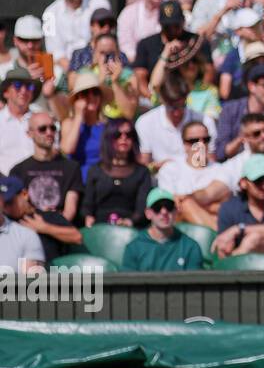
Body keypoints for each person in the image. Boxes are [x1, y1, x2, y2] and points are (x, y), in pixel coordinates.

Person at [10, 110, 83, 260]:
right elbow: (15, 210)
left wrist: (45, 226)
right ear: (29, 133)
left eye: (53, 128)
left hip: (59, 234)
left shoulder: (71, 167)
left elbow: (70, 212)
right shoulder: (18, 170)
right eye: (43, 129)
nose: (49, 132)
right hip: (27, 233)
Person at [81, 121, 152, 228]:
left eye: (129, 135)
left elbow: (142, 208)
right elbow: (87, 205)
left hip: (131, 229)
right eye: (117, 135)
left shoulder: (142, 172)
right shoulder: (95, 170)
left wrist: (131, 221)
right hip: (99, 227)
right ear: (108, 138)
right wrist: (88, 217)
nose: (123, 138)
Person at [121, 187, 205, 271]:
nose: (164, 212)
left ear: (176, 211)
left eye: (169, 206)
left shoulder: (190, 247)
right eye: (157, 207)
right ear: (148, 213)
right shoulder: (134, 248)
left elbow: (195, 282)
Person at [0, 175, 44, 273]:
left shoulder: (27, 235)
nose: (8, 208)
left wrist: (45, 228)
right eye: (7, 203)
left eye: (10, 202)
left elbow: (32, 284)